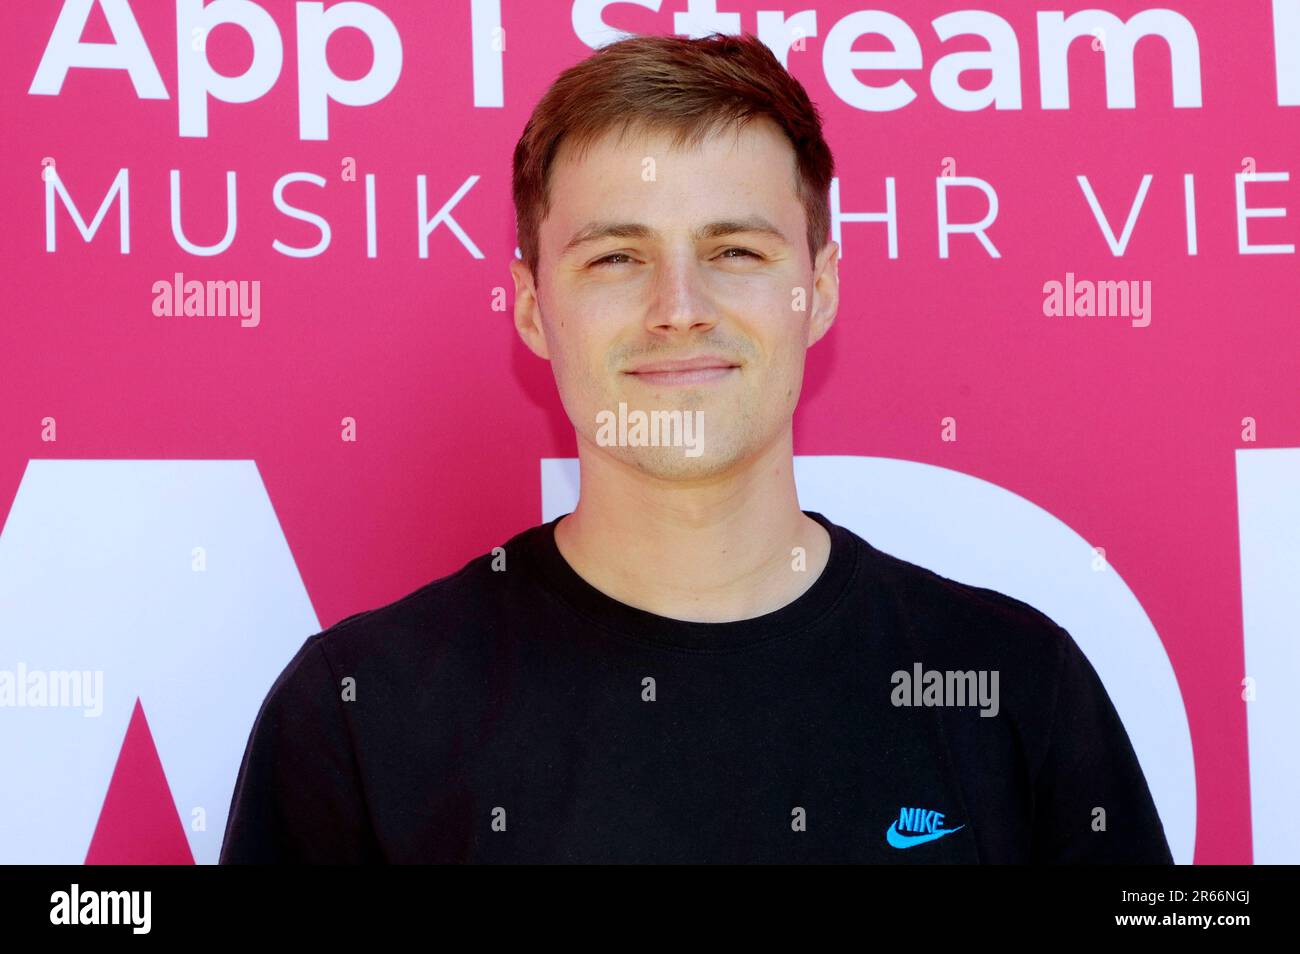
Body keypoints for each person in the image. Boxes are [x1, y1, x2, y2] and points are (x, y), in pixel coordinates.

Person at [219, 32, 1172, 864]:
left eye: (736, 252)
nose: (679, 310)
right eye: (616, 257)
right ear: (529, 307)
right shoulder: (357, 716)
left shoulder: (1015, 690)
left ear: (822, 288)